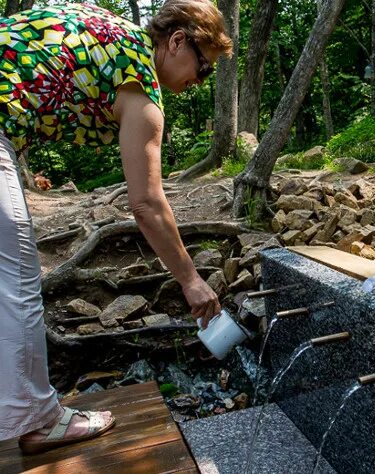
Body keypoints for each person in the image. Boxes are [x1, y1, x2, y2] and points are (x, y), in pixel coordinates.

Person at [0, 0, 231, 454]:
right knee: (18, 281)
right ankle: (39, 420)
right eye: (203, 68)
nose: (199, 84)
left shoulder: (109, 31)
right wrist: (191, 280)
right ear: (177, 41)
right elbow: (145, 203)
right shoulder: (142, 87)